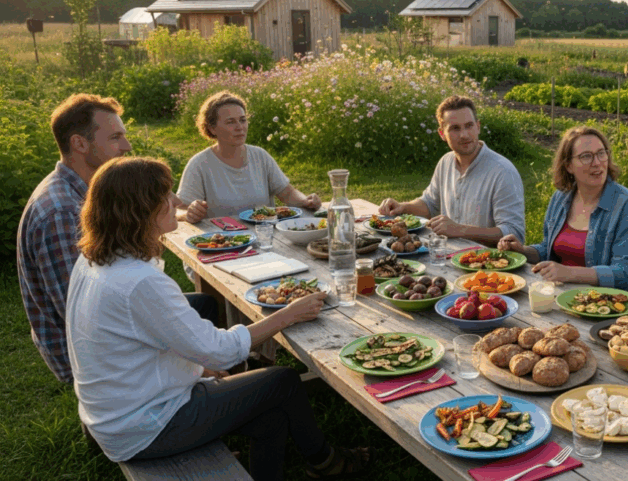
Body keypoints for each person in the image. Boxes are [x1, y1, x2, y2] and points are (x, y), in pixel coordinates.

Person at [66, 157, 372, 479]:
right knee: (282, 381)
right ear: (139, 211)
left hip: (117, 407)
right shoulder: (139, 282)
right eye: (165, 197)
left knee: (267, 407)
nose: (175, 202)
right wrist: (288, 314)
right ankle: (326, 463)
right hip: (145, 425)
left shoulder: (94, 259)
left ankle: (269, 452)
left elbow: (158, 332)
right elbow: (221, 350)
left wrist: (202, 365)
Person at [16, 94, 218, 385]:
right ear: (80, 144)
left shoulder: (85, 191)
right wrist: (190, 365)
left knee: (203, 304)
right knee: (191, 318)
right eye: (115, 137)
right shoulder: (62, 213)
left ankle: (223, 376)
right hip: (93, 357)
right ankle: (211, 384)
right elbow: (81, 317)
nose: (127, 146)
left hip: (104, 323)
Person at [497, 126, 628, 297]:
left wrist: (569, 273)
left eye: (601, 153)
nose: (597, 162)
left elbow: (627, 272)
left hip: (610, 306)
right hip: (561, 297)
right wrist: (523, 251)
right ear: (568, 165)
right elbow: (549, 250)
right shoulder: (561, 198)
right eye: (586, 156)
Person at [378, 95, 525, 246]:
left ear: (478, 127)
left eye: (469, 126)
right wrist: (403, 207)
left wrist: (460, 230)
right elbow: (429, 204)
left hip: (489, 264)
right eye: (455, 128)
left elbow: (514, 232)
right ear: (442, 134)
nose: (464, 135)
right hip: (447, 256)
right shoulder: (445, 162)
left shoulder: (503, 172)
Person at [176, 91, 321, 222]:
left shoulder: (260, 156)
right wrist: (188, 214)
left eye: (242, 120)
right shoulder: (200, 164)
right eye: (230, 122)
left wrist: (305, 201)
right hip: (223, 243)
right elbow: (179, 210)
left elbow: (287, 193)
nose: (240, 127)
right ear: (212, 128)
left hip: (266, 236)